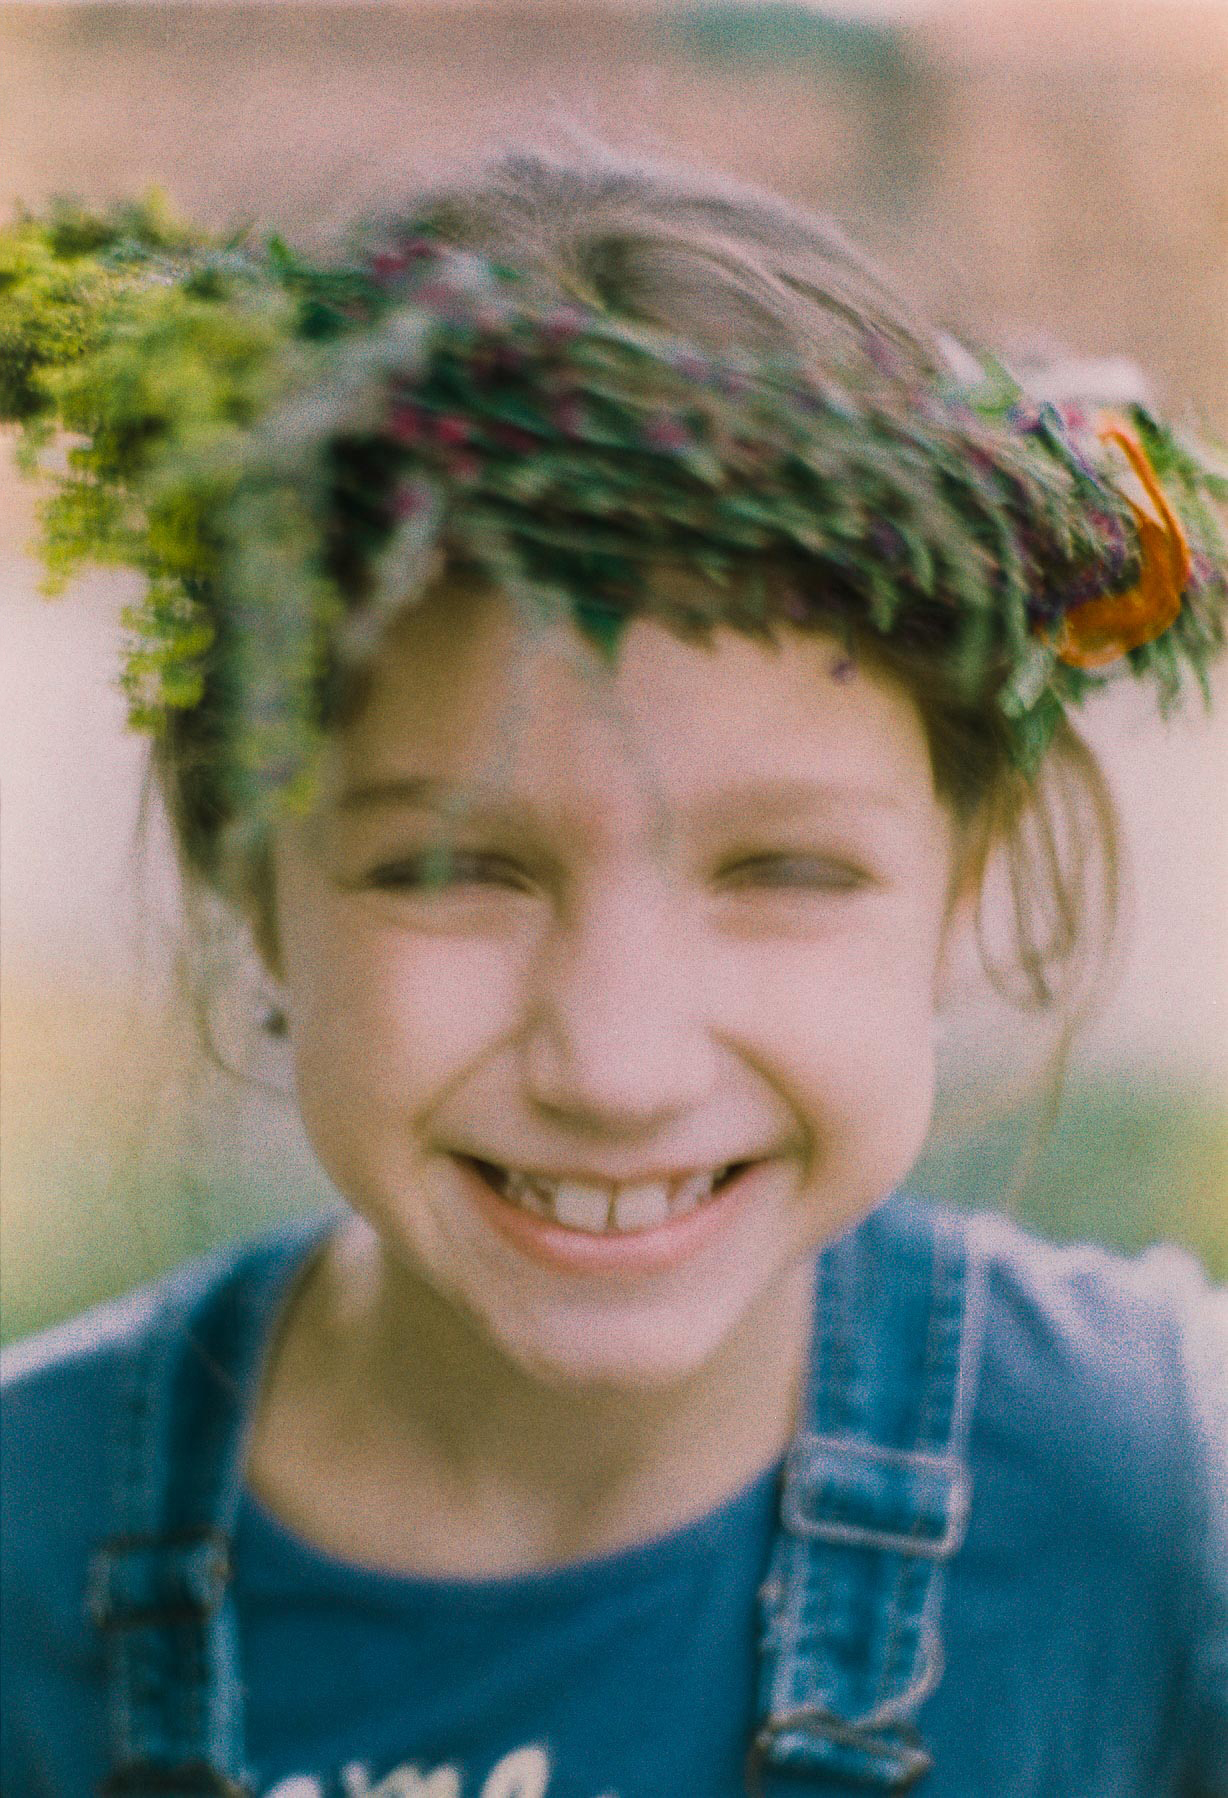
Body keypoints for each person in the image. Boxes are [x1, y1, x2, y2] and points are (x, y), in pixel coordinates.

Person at [1, 137, 1225, 1798]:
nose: (618, 1060)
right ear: (247, 869)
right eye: (456, 868)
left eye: (782, 870)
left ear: (963, 884)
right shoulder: (26, 1547)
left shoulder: (1170, 1506)